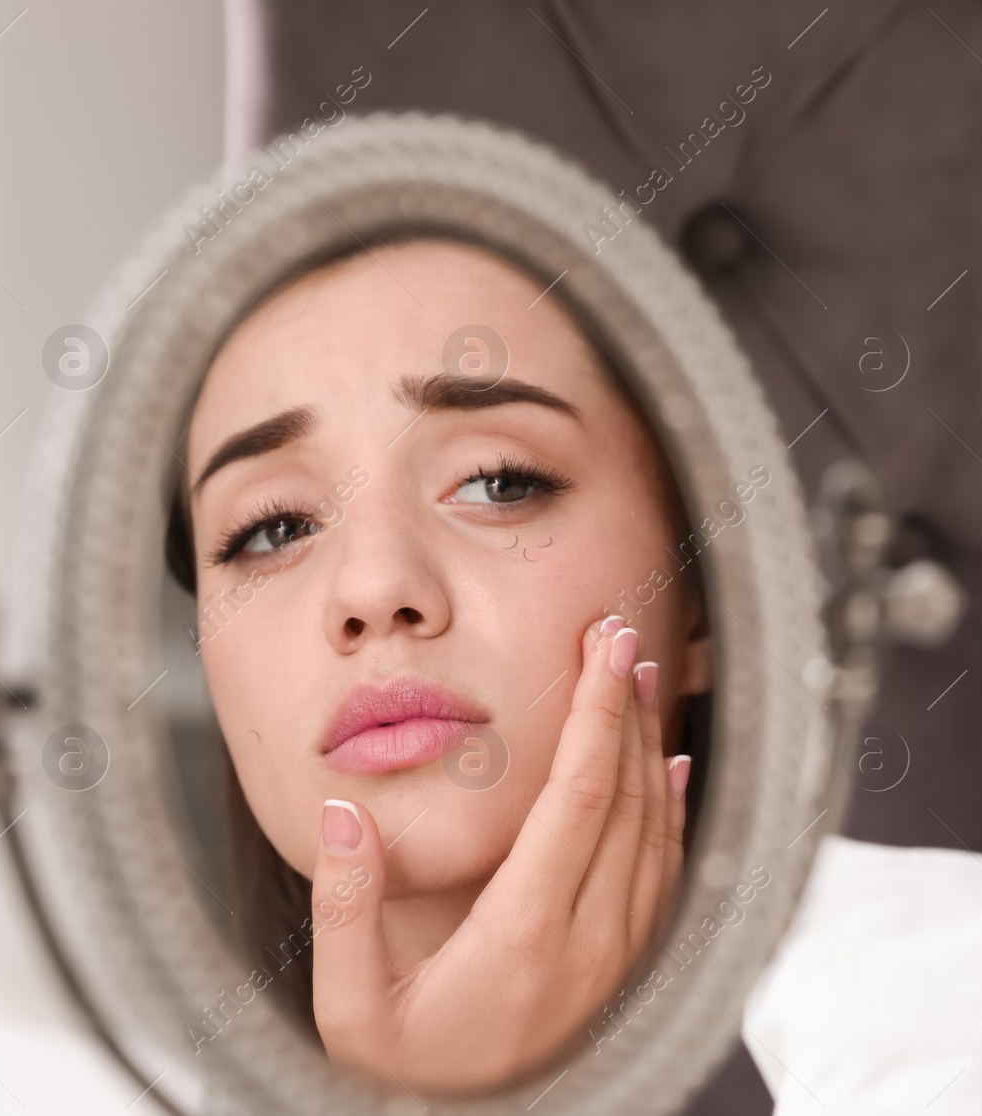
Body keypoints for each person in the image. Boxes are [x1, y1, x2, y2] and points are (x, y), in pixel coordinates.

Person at [162, 236, 711, 1093]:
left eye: (497, 481)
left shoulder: (943, 1019)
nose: (373, 587)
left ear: (705, 601)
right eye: (274, 528)